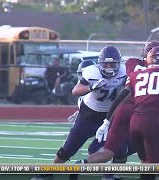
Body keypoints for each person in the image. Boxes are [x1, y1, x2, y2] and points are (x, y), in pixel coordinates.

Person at [97, 46, 159, 180]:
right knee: (155, 169)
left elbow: (120, 99)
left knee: (146, 164)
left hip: (135, 123)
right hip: (154, 122)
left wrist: (106, 122)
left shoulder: (135, 74)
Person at [31, 45, 126, 180]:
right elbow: (75, 90)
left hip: (110, 116)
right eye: (106, 64)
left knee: (120, 149)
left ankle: (110, 175)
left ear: (119, 63)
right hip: (88, 116)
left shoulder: (124, 71)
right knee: (67, 150)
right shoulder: (92, 72)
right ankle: (47, 172)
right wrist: (91, 87)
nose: (109, 67)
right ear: (100, 63)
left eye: (113, 64)